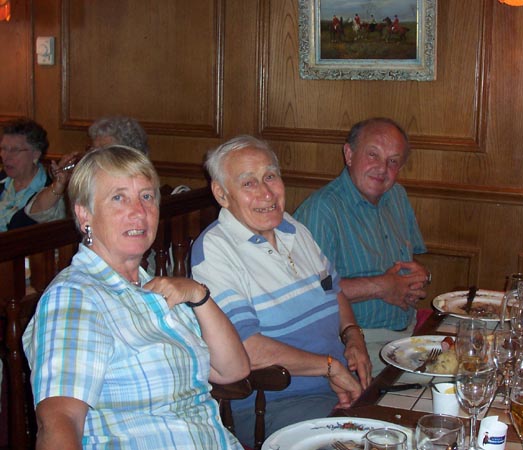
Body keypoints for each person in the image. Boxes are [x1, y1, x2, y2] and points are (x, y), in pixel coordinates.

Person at [23, 145, 249, 449]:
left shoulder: (152, 287)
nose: (139, 212)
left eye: (147, 196)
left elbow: (233, 369)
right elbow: (59, 421)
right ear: (84, 213)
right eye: (118, 198)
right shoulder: (75, 297)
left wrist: (199, 294)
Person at [190, 135, 371, 446]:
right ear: (221, 194)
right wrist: (328, 367)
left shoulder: (293, 228)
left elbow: (334, 290)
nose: (266, 192)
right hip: (274, 401)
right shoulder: (215, 250)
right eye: (249, 183)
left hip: (336, 387)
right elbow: (246, 349)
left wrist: (353, 335)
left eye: (270, 176)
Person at [294, 117, 430, 375]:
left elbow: (408, 263)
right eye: (373, 155)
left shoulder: (397, 196)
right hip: (355, 347)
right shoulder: (322, 210)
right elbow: (308, 292)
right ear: (349, 154)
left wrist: (420, 277)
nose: (382, 169)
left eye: (393, 161)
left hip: (408, 334)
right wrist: (381, 287)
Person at [25, 115, 149, 222]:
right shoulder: (88, 186)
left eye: (103, 150)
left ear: (129, 155)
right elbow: (37, 212)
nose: (94, 156)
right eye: (92, 149)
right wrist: (60, 184)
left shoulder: (141, 191)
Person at [0, 118, 52, 230]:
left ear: (36, 154)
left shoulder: (48, 191)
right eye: (3, 149)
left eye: (14, 150)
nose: (6, 157)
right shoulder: (2, 179)